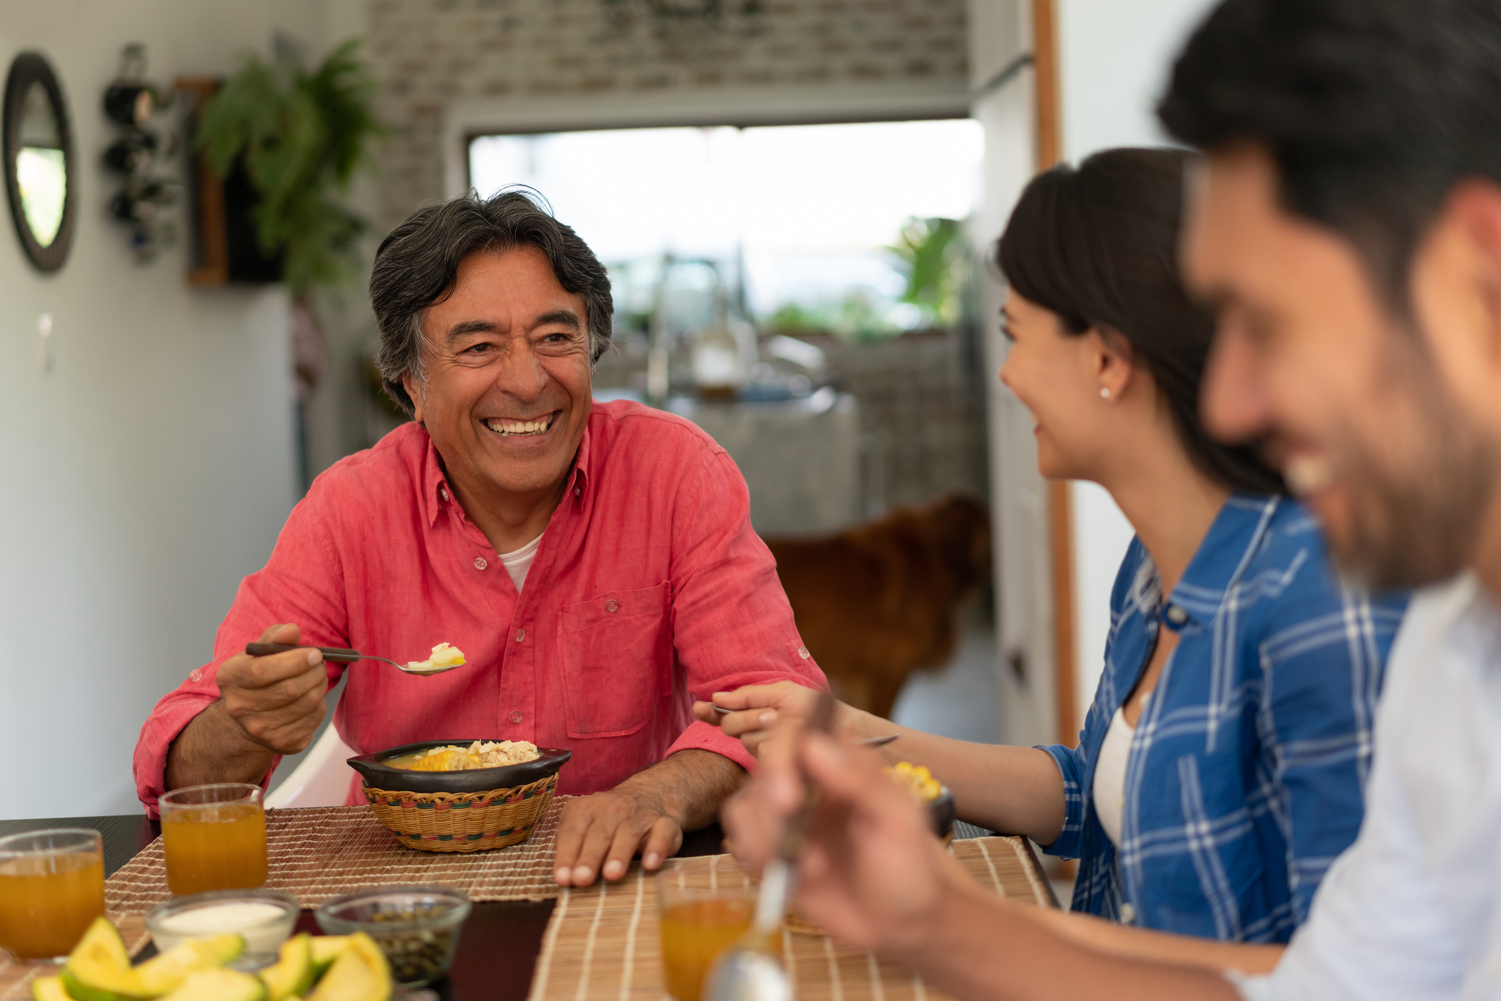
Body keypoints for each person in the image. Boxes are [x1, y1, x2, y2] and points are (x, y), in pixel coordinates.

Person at [720, 0, 1501, 998]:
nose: (1228, 399)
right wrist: (922, 911)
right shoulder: (1453, 642)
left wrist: (941, 918)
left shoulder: (1337, 602)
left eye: (1269, 320)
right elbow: (1339, 982)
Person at [701, 147, 1406, 958]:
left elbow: (1352, 975)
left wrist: (944, 921)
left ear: (1106, 356)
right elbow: (1093, 794)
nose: (1006, 375)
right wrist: (854, 733)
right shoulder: (1150, 571)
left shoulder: (1322, 600)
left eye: (1016, 336)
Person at [133, 191, 827, 888]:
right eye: (479, 347)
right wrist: (245, 723)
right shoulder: (349, 510)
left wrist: (656, 794)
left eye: (555, 338)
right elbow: (182, 775)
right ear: (411, 385)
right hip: (402, 890)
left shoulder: (676, 474)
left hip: (619, 879)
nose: (527, 382)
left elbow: (776, 708)